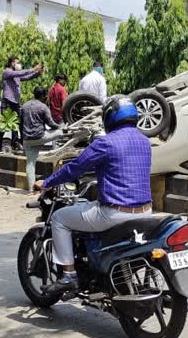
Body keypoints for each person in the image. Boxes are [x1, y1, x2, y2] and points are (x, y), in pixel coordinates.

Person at [36, 95, 152, 294]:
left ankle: (69, 275)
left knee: (59, 219)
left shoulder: (106, 143)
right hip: (146, 213)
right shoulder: (144, 141)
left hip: (114, 214)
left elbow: (75, 168)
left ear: (109, 117)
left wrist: (47, 183)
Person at [0, 56, 44, 153]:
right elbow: (20, 73)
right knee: (5, 124)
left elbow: (26, 77)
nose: (19, 64)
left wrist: (37, 73)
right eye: (17, 62)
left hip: (16, 102)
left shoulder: (16, 76)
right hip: (8, 101)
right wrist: (33, 68)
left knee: (19, 123)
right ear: (12, 63)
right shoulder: (7, 72)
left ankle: (17, 143)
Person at [22, 86, 63, 190]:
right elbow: (51, 123)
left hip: (27, 140)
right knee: (60, 132)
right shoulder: (43, 107)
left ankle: (31, 189)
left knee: (30, 164)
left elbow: (20, 123)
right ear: (43, 96)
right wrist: (62, 127)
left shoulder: (24, 106)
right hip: (40, 137)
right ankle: (58, 152)